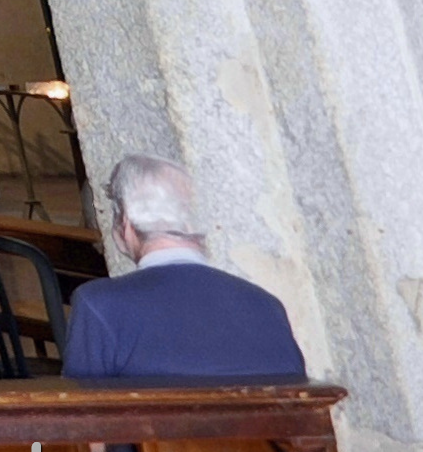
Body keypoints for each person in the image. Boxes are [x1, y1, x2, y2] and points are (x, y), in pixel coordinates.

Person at [63, 155, 304, 380]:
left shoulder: (100, 305)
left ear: (125, 224)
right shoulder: (266, 306)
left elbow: (78, 416)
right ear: (194, 224)